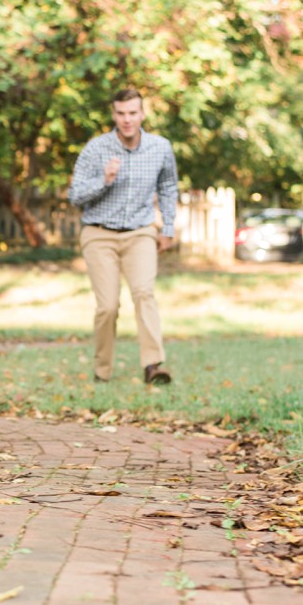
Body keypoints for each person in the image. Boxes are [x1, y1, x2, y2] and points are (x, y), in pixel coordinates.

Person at [68, 88, 178, 385]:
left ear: (142, 114)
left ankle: (153, 365)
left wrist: (167, 228)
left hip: (140, 232)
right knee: (108, 306)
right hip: (99, 234)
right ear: (113, 114)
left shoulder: (160, 147)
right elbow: (75, 196)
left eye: (132, 113)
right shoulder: (96, 149)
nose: (127, 119)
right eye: (121, 113)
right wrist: (103, 180)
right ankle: (102, 371)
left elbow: (168, 187)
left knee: (144, 293)